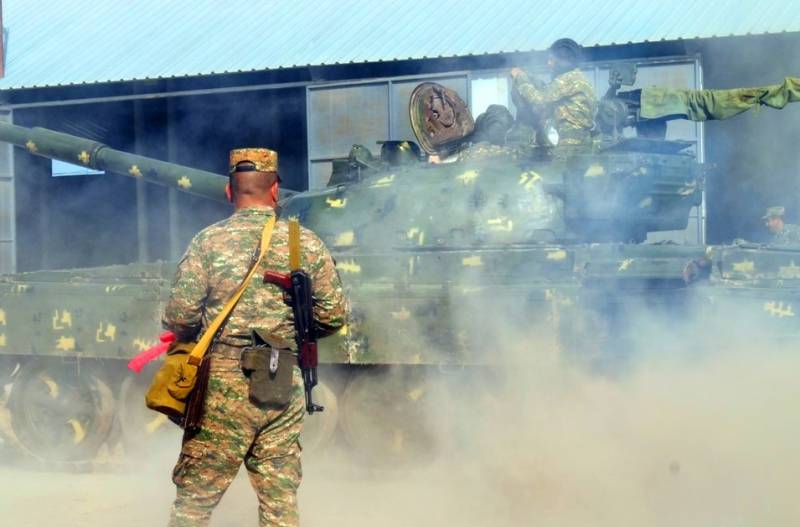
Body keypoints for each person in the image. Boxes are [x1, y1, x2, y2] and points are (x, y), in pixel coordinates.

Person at [162, 148, 347, 527]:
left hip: (222, 386)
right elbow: (333, 315)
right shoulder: (304, 243)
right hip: (282, 380)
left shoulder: (207, 242)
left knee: (194, 503)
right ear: (275, 190)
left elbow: (180, 316)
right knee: (279, 503)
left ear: (230, 193)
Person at [510, 38, 596, 146]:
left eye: (552, 59)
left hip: (569, 145)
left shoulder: (567, 79)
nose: (549, 64)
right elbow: (549, 93)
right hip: (583, 141)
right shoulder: (580, 79)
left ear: (561, 61)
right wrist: (529, 77)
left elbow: (539, 100)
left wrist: (519, 76)